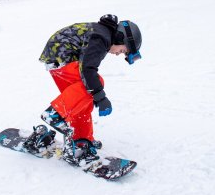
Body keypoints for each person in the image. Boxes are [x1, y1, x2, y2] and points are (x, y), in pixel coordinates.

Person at [24, 14, 142, 168]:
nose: (118, 53)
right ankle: (55, 114)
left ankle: (82, 139)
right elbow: (88, 69)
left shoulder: (103, 35)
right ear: (121, 38)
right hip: (61, 56)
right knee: (95, 83)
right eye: (122, 50)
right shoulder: (102, 37)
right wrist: (101, 97)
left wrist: (96, 95)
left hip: (59, 59)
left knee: (83, 100)